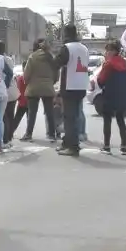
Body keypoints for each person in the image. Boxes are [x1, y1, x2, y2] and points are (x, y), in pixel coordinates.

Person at [54, 26, 91, 156]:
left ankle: (72, 147)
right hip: (81, 85)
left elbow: (57, 63)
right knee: (74, 116)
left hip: (69, 85)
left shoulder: (67, 48)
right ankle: (67, 143)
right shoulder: (84, 48)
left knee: (69, 118)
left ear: (65, 34)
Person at [94, 41, 126, 155]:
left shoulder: (108, 64)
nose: (106, 53)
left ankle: (106, 146)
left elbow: (100, 80)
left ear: (114, 51)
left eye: (108, 50)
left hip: (110, 95)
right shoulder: (125, 63)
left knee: (107, 120)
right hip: (123, 95)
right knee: (121, 120)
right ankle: (123, 146)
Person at [22, 38, 58, 142]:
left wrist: (28, 82)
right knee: (49, 112)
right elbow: (56, 73)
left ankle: (28, 134)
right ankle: (52, 134)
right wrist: (52, 82)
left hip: (34, 87)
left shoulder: (32, 57)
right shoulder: (51, 57)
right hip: (48, 87)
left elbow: (26, 74)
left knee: (32, 112)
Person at [0, 41, 20, 144]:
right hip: (12, 90)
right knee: (10, 115)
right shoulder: (10, 59)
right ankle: (9, 136)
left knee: (3, 116)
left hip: (2, 89)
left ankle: (5, 138)